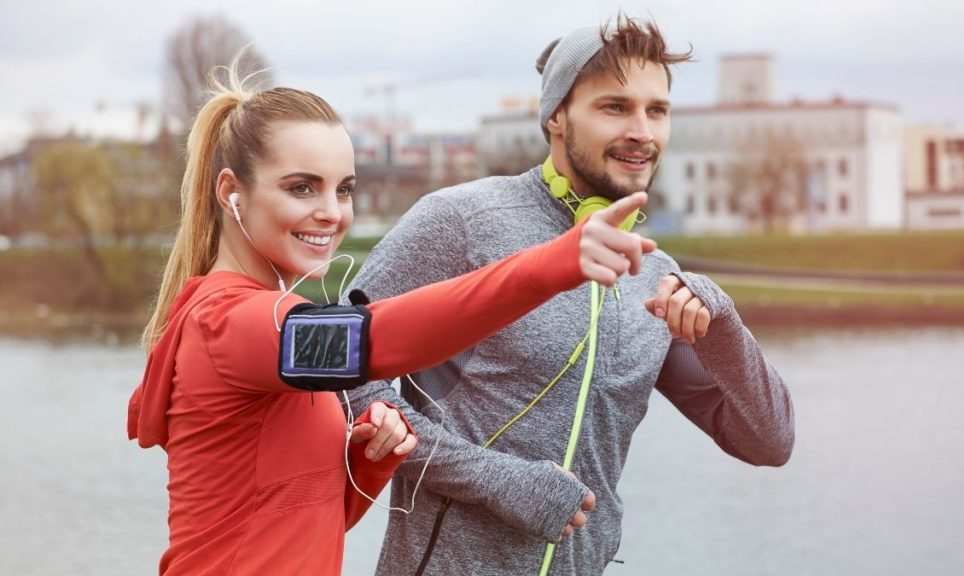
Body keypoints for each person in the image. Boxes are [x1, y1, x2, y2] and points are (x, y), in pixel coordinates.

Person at [126, 61, 660, 575]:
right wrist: (556, 262)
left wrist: (373, 459)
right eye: (301, 187)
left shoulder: (270, 333)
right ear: (230, 193)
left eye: (344, 189)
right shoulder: (229, 323)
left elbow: (307, 524)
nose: (332, 212)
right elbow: (377, 339)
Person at [344, 14, 796, 576]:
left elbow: (769, 442)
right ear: (556, 115)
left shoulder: (656, 275)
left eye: (657, 110)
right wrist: (494, 481)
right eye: (615, 107)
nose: (643, 132)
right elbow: (341, 373)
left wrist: (723, 323)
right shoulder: (461, 219)